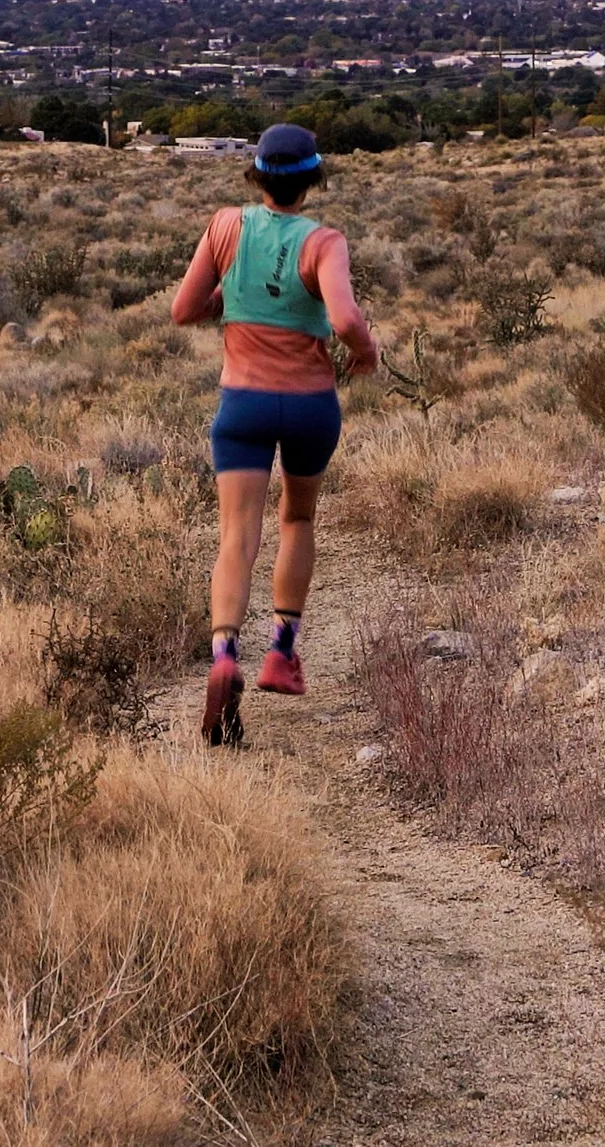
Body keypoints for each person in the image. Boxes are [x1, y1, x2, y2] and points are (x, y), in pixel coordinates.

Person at [169, 122, 379, 746]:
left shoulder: (225, 226)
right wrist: (365, 352)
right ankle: (282, 653)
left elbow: (183, 309)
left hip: (244, 404)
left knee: (237, 536)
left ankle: (223, 655)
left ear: (256, 176)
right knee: (298, 519)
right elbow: (344, 317)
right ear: (313, 180)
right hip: (311, 405)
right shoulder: (324, 242)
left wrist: (228, 302)